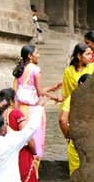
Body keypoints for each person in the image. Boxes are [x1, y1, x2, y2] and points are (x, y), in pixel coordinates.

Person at [12, 45, 62, 173]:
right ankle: (33, 174)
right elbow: (39, 93)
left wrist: (51, 88)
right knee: (36, 140)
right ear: (30, 56)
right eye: (37, 53)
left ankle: (23, 172)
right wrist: (56, 97)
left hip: (20, 109)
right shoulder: (35, 69)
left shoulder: (19, 70)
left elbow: (28, 90)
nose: (38, 55)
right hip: (33, 110)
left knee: (24, 141)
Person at [0, 89, 41, 182]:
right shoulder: (15, 114)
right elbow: (28, 136)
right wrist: (34, 151)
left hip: (0, 157)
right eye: (15, 100)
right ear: (11, 102)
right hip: (20, 156)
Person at [59, 73, 90, 175]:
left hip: (76, 139)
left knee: (76, 172)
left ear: (80, 84)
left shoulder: (71, 99)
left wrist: (67, 135)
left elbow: (63, 120)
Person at [61, 43, 94, 107]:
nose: (90, 57)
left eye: (91, 54)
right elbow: (66, 93)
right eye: (87, 54)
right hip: (74, 104)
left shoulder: (93, 67)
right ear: (79, 56)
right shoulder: (69, 71)